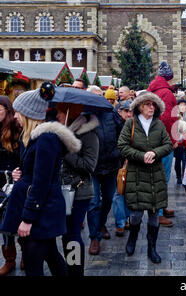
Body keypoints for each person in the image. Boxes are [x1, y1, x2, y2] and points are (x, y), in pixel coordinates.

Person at [0, 82, 82, 276]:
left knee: (35, 260)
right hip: (40, 207)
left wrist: (27, 218)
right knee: (51, 254)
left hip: (42, 209)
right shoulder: (33, 137)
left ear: (28, 114)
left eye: (19, 111)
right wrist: (22, 172)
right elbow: (36, 172)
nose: (16, 116)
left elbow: (41, 182)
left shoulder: (45, 138)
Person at [117, 92, 173, 263]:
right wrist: (141, 156)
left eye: (153, 104)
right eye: (148, 104)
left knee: (155, 214)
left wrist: (154, 153)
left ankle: (152, 248)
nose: (151, 107)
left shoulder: (159, 124)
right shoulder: (130, 123)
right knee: (135, 214)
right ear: (140, 107)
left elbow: (168, 145)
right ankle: (132, 238)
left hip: (155, 175)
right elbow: (122, 145)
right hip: (136, 174)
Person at [56, 103, 99, 276]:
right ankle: (70, 267)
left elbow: (89, 166)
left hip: (78, 192)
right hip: (62, 190)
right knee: (66, 234)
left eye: (59, 112)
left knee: (73, 234)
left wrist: (66, 152)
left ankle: (76, 271)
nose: (57, 115)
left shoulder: (88, 135)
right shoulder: (62, 132)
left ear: (70, 113)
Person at [86, 87, 123, 255]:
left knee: (108, 199)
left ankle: (101, 224)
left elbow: (121, 134)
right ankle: (94, 237)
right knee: (93, 202)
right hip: (91, 168)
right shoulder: (83, 116)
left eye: (99, 96)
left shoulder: (111, 113)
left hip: (111, 165)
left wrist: (119, 154)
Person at [146, 61, 178, 227]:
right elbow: (168, 119)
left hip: (153, 140)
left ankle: (161, 207)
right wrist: (173, 140)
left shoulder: (153, 91)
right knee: (162, 179)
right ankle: (157, 214)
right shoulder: (167, 93)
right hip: (163, 142)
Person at [0, 96, 22, 276]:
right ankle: (10, 260)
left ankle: (26, 256)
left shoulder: (16, 128)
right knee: (4, 224)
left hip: (16, 183)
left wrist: (17, 173)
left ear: (7, 110)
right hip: (0, 182)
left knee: (18, 219)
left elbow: (22, 156)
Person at [112, 100, 132, 237]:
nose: (129, 114)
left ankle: (125, 219)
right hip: (117, 164)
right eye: (126, 111)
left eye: (131, 111)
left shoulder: (134, 125)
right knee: (118, 193)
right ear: (119, 112)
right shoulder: (115, 125)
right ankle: (120, 222)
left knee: (127, 192)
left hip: (131, 163)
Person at [173, 100, 186, 185]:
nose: (183, 107)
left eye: (184, 105)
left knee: (184, 160)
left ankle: (183, 176)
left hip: (185, 142)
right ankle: (178, 177)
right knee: (178, 160)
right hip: (178, 142)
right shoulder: (176, 116)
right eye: (181, 105)